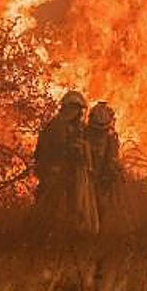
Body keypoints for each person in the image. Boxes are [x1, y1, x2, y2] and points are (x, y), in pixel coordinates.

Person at [35, 90, 99, 235]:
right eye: (74, 109)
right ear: (66, 108)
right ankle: (40, 233)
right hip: (54, 172)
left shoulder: (76, 127)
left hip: (69, 173)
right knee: (49, 206)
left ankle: (70, 234)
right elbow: (49, 151)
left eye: (78, 110)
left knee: (74, 206)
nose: (77, 113)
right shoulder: (56, 126)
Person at [86, 101, 123, 227]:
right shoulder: (83, 136)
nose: (99, 136)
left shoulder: (111, 140)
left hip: (100, 183)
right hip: (83, 182)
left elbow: (112, 161)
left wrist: (113, 171)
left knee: (100, 211)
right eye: (96, 131)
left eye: (102, 131)